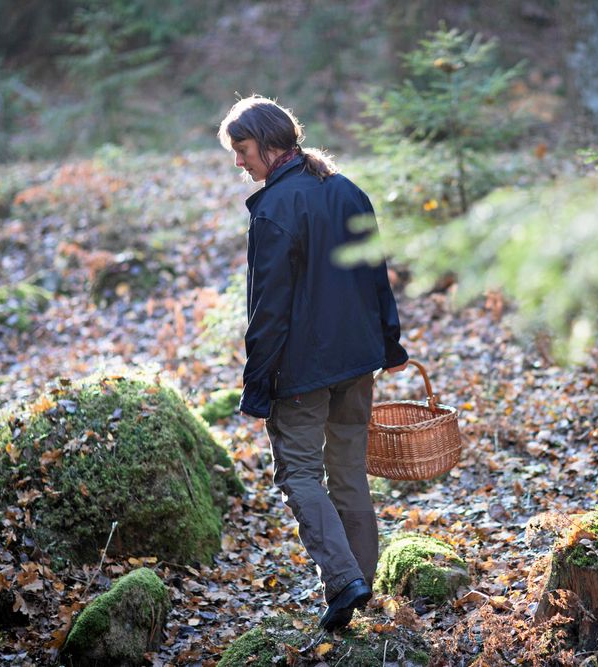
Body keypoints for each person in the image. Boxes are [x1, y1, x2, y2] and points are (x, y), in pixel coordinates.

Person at [217, 95, 409, 631]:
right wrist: (388, 345)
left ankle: (345, 580)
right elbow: (377, 276)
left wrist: (258, 384)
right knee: (348, 473)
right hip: (356, 361)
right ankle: (361, 588)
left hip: (301, 371)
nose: (239, 163)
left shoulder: (276, 210)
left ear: (271, 143)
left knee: (299, 473)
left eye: (243, 149)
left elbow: (268, 310)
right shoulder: (346, 190)